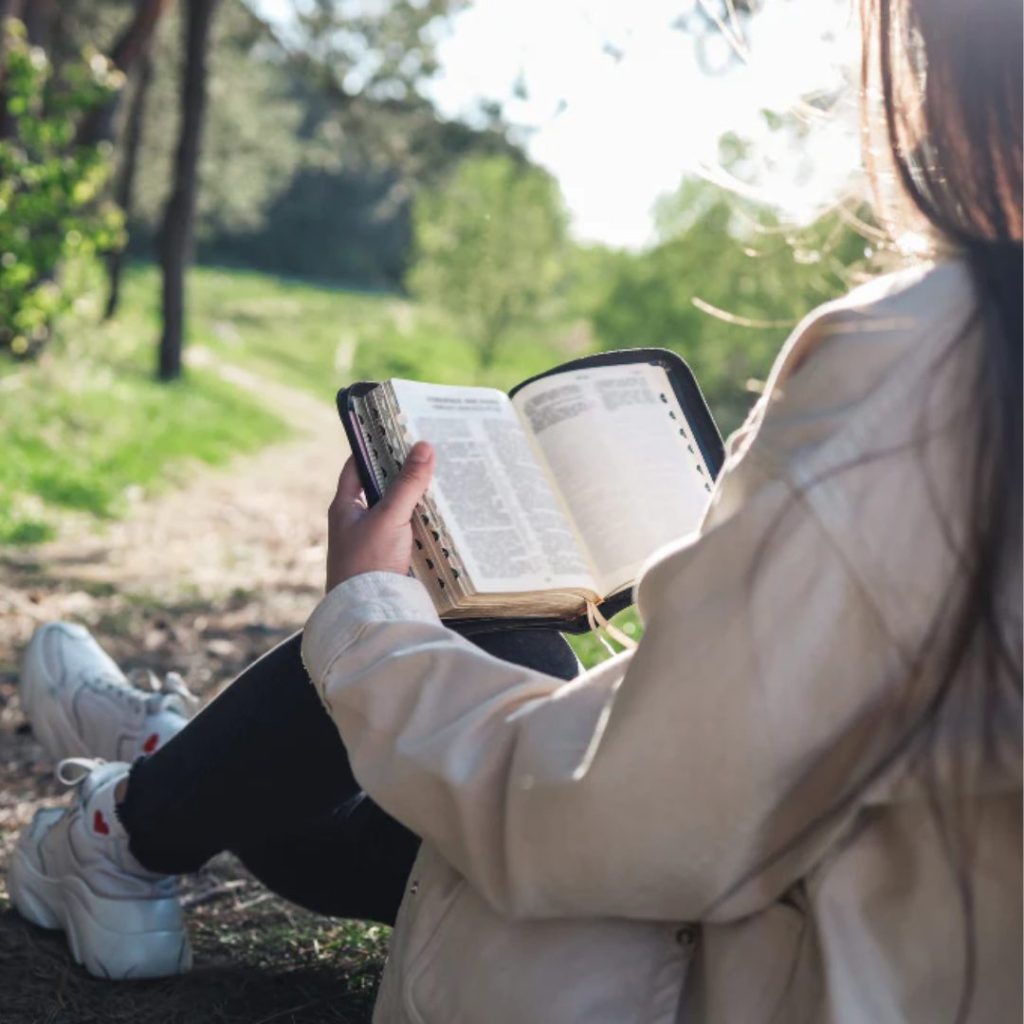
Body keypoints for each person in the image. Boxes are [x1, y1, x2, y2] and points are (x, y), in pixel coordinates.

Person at [8, 0, 1021, 1019]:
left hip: (714, 953)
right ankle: (169, 758)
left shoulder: (925, 366)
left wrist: (364, 610)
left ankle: (128, 819)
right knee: (514, 656)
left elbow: (621, 819)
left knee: (451, 657)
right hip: (829, 917)